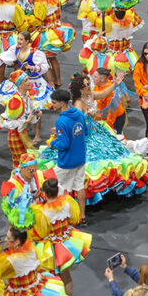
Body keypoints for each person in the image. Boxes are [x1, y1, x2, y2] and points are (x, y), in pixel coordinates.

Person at [48, 89, 88, 224]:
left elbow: (64, 144)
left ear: (61, 103)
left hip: (67, 161)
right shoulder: (79, 113)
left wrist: (53, 143)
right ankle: (82, 217)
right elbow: (85, 131)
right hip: (81, 157)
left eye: (54, 102)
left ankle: (59, 218)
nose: (52, 105)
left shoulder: (61, 121)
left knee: (56, 187)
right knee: (79, 186)